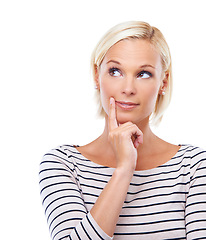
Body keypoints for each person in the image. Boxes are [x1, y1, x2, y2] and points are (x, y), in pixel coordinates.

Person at [39, 21, 206, 240]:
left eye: (143, 74)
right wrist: (124, 169)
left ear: (163, 82)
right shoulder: (63, 164)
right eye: (115, 71)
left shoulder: (194, 167)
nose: (127, 89)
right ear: (96, 75)